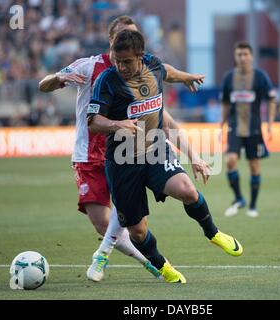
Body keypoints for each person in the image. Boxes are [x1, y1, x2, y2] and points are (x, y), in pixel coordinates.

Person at [38, 15, 209, 282]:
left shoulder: (141, 67)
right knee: (102, 222)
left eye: (133, 35)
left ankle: (114, 256)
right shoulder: (90, 67)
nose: (129, 40)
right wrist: (57, 78)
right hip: (89, 154)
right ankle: (141, 258)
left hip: (128, 152)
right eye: (123, 35)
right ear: (111, 40)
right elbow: (46, 84)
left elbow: (165, 75)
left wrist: (186, 77)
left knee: (127, 209)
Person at [87, 29, 243, 284]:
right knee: (138, 231)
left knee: (188, 190)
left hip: (156, 149)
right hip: (123, 161)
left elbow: (167, 71)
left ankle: (213, 233)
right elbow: (93, 121)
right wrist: (116, 125)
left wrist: (185, 78)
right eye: (117, 60)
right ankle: (163, 266)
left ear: (141, 57)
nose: (121, 66)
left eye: (126, 61)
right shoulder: (107, 81)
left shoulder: (153, 66)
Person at [220, 41, 276, 218]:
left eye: (245, 54)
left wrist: (270, 124)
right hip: (234, 126)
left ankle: (252, 205)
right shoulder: (229, 77)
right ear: (235, 57)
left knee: (254, 166)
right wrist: (221, 124)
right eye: (239, 54)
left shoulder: (260, 76)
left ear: (251, 56)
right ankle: (239, 198)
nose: (242, 57)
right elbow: (226, 103)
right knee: (230, 160)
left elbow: (271, 99)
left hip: (254, 128)